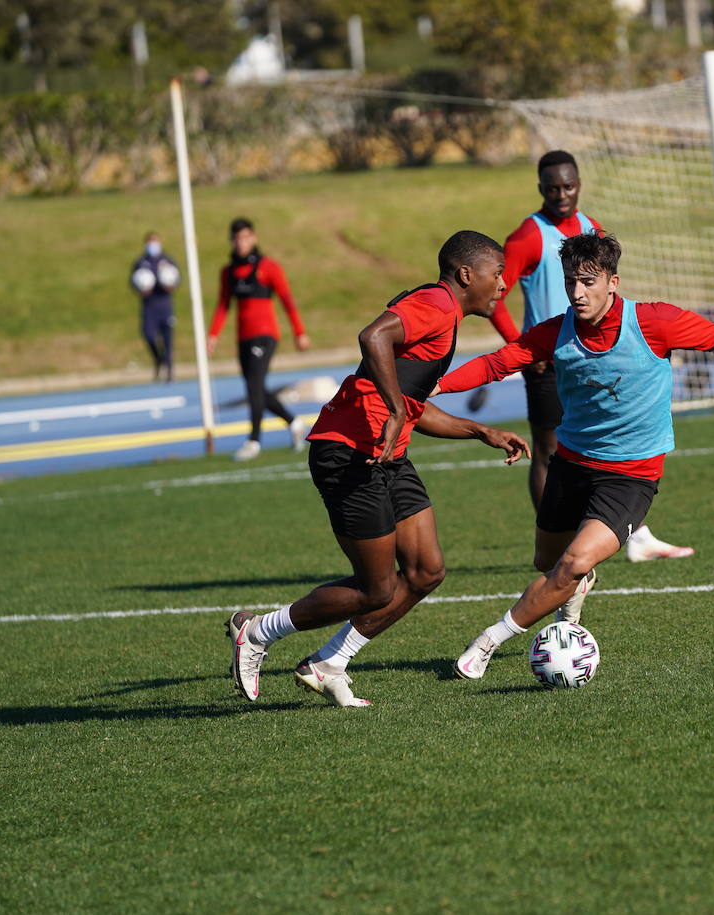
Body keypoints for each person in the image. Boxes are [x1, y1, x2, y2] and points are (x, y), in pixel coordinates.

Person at [437, 232, 714, 680]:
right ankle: (578, 583)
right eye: (571, 281)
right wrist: (436, 385)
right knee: (547, 564)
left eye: (588, 282)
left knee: (571, 564)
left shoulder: (655, 322)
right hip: (570, 465)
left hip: (631, 476)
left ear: (613, 282)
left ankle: (488, 642)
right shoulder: (555, 331)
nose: (577, 292)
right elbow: (497, 363)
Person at [225, 230, 530, 707]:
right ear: (466, 275)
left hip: (388, 454)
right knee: (376, 588)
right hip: (347, 450)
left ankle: (329, 662)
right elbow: (373, 336)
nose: (504, 284)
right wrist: (391, 409)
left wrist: (480, 431)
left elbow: (412, 406)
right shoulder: (436, 303)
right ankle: (258, 631)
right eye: (498, 274)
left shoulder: (443, 317)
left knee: (426, 570)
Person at [482, 149, 696, 563]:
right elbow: (494, 298)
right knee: (549, 451)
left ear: (579, 184)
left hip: (594, 357)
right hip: (549, 357)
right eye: (552, 188)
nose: (561, 194)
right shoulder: (527, 237)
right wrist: (522, 347)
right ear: (540, 188)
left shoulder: (589, 228)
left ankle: (634, 533)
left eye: (568, 186)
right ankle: (555, 542)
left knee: (610, 441)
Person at [207, 217, 312, 461]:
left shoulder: (269, 268)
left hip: (265, 336)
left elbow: (287, 300)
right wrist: (213, 334)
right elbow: (223, 305)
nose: (241, 243)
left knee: (254, 386)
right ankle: (293, 422)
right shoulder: (229, 272)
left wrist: (300, 332)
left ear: (253, 238)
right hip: (243, 337)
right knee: (256, 389)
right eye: (236, 238)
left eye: (245, 237)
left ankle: (253, 441)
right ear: (231, 241)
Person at [129, 231, 179, 383]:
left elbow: (177, 279)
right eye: (150, 242)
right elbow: (133, 282)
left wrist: (171, 286)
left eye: (155, 242)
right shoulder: (140, 262)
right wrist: (141, 290)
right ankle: (158, 359)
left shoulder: (167, 261)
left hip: (165, 305)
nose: (153, 246)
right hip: (149, 307)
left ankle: (169, 370)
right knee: (149, 335)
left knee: (168, 338)